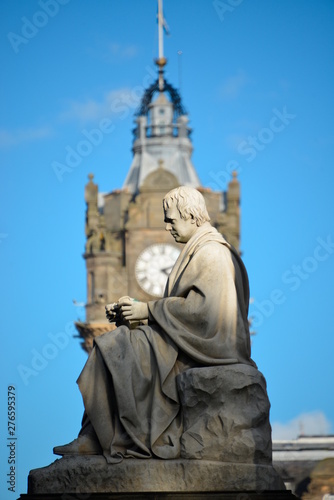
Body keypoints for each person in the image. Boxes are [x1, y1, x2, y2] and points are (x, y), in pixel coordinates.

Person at [54, 186, 256, 463]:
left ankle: (105, 435)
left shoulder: (212, 253)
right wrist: (135, 312)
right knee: (114, 343)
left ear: (192, 216)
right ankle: (99, 433)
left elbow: (207, 314)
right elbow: (187, 311)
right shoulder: (198, 249)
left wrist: (148, 310)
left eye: (171, 220)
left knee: (114, 344)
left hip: (208, 348)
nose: (166, 226)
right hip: (188, 341)